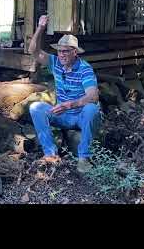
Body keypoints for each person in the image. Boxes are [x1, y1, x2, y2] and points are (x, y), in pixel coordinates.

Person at [28, 15, 101, 173]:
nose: (61, 54)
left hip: (80, 116)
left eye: (66, 51)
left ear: (75, 52)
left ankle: (83, 158)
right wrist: (40, 27)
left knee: (91, 109)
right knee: (36, 108)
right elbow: (33, 51)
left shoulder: (84, 69)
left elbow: (93, 96)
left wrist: (69, 104)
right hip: (62, 115)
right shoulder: (55, 63)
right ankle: (50, 154)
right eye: (59, 51)